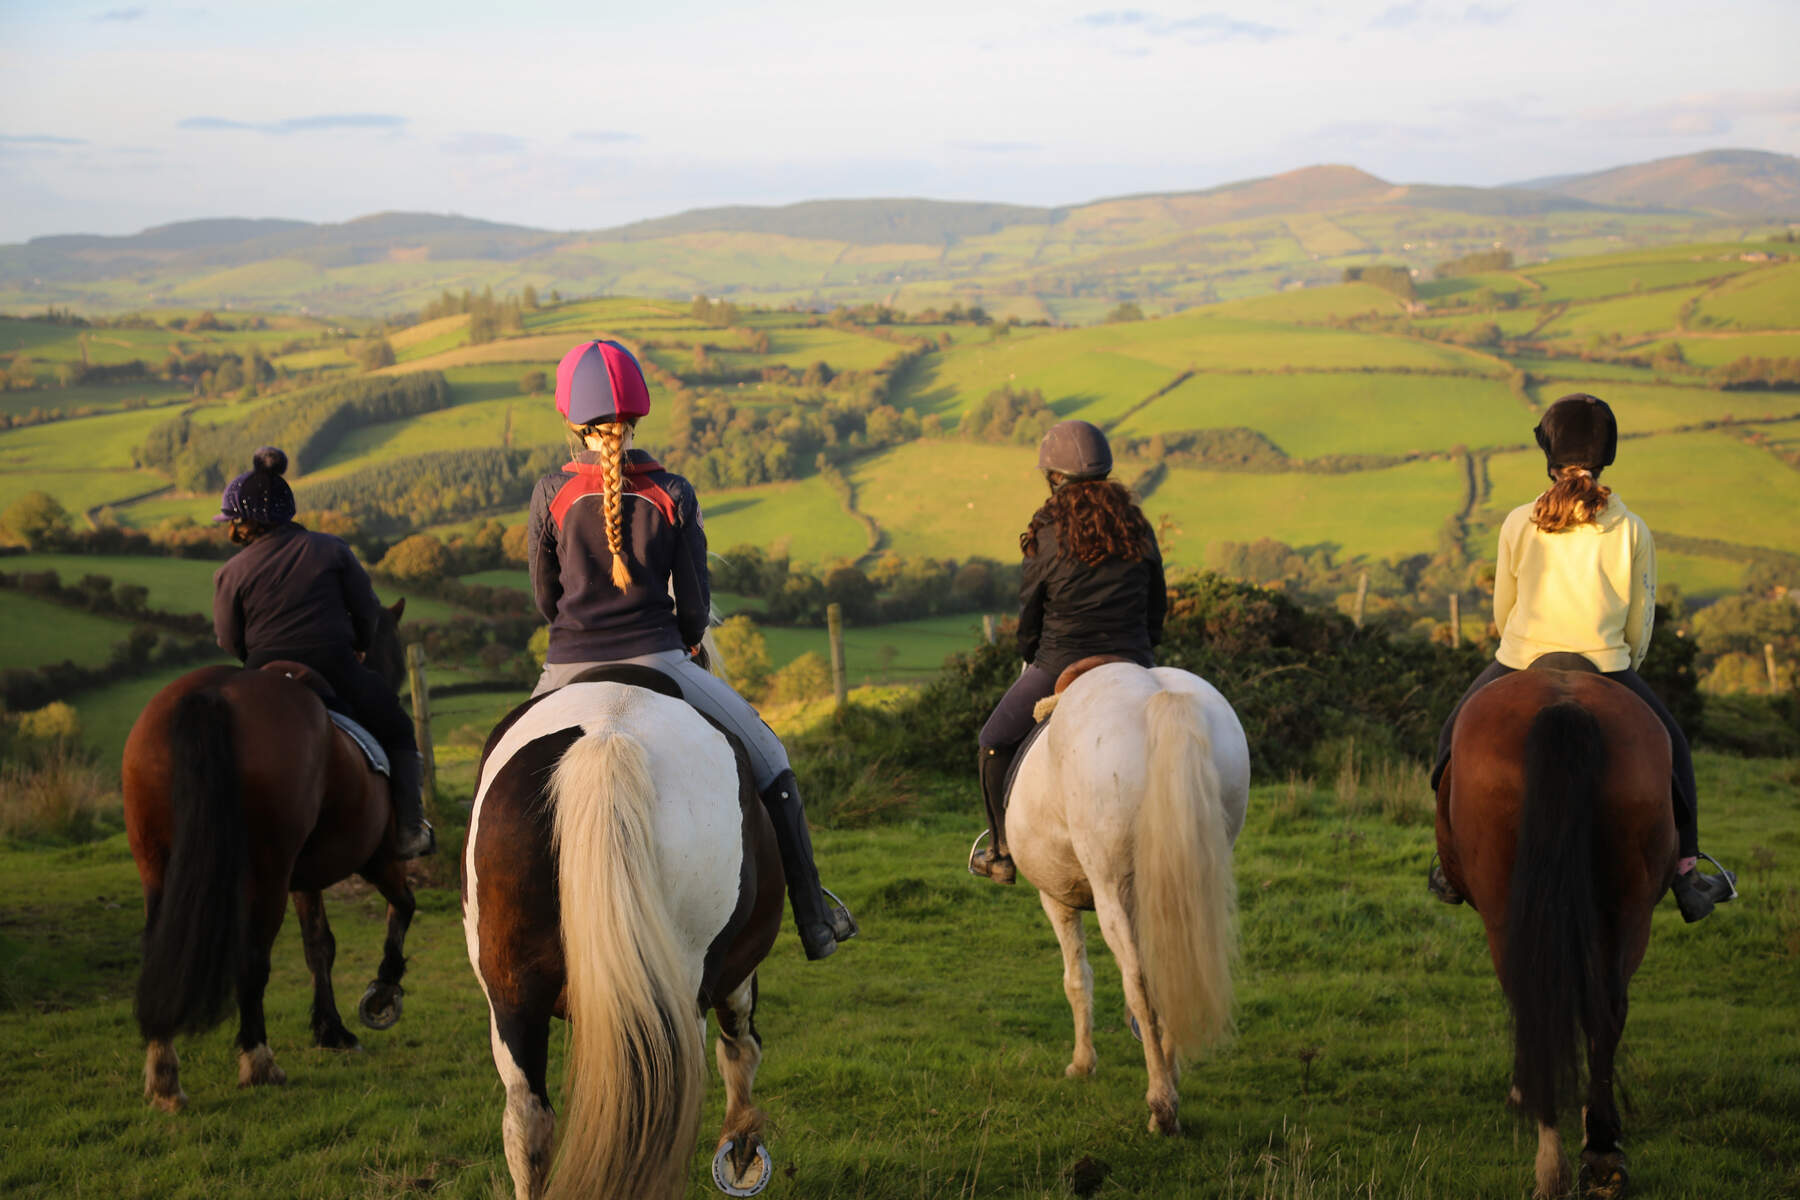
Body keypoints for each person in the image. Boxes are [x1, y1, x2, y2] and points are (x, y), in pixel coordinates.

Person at [527, 338, 857, 961]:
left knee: (501, 768)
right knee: (772, 761)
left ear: (572, 421)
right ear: (638, 414)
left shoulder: (550, 493)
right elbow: (696, 608)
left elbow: (546, 599)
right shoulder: (672, 491)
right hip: (662, 657)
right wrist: (682, 641)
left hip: (567, 664)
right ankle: (813, 916)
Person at [1428, 394, 1736, 922]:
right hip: (1606, 664)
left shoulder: (1518, 521)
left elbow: (1505, 607)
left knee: (1448, 743)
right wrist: (1623, 663)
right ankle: (1688, 875)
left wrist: (1521, 645)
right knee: (1676, 752)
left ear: (1547, 453)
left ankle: (1448, 861)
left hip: (1523, 658)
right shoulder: (1631, 527)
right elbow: (1640, 624)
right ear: (1607, 456)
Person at [212, 447, 435, 858]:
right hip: (335, 665)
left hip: (262, 672)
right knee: (399, 729)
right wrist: (360, 648)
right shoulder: (331, 550)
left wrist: (256, 658)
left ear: (245, 523)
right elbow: (367, 612)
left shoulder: (230, 572)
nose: (232, 529)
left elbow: (227, 639)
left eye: (234, 521)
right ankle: (408, 830)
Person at [969, 419, 1166, 884]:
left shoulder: (1047, 528)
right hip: (1134, 660)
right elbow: (1157, 601)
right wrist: (1144, 651)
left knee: (992, 743)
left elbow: (1031, 607)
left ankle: (999, 851)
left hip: (1061, 660)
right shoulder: (1136, 524)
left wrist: (1030, 653)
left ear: (1054, 477)